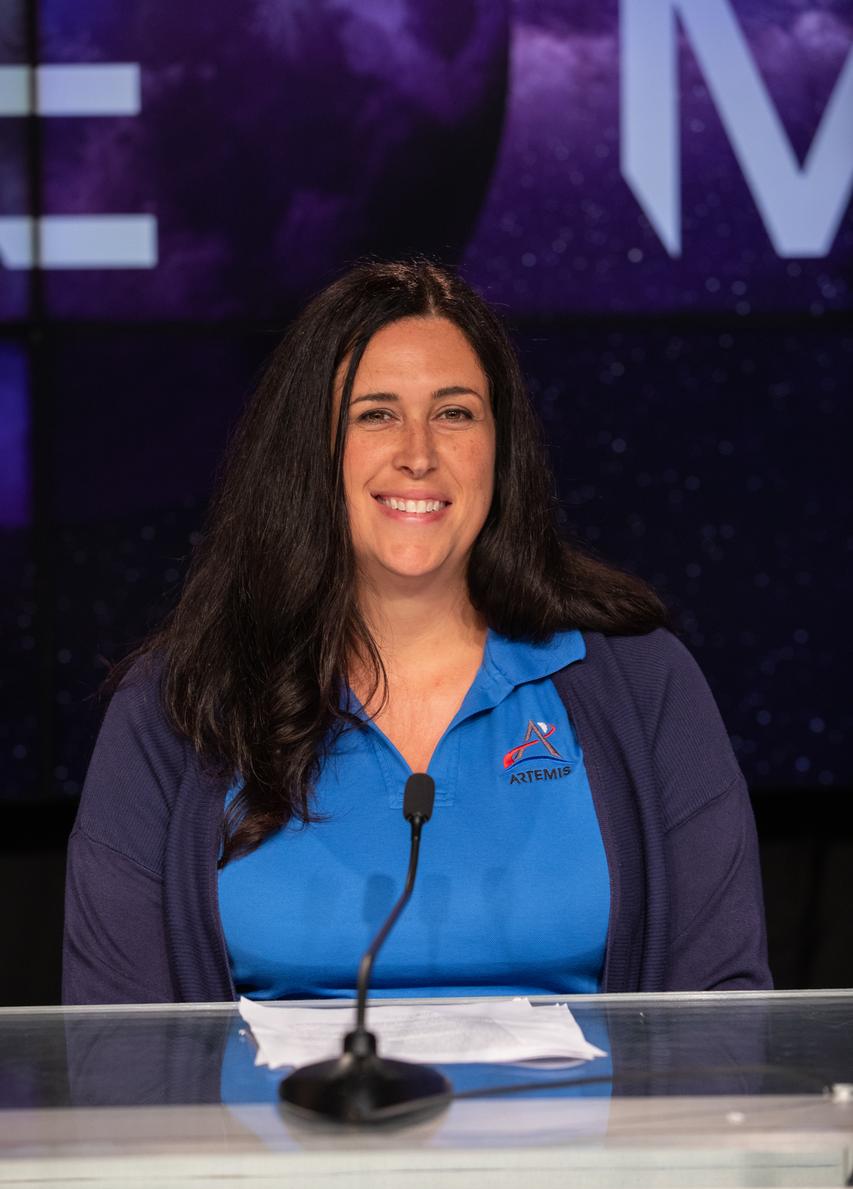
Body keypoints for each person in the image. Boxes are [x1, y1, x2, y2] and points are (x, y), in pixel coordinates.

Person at [63, 261, 771, 1004]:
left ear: (502, 446)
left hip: (577, 1123)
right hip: (276, 1121)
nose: (418, 453)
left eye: (454, 413)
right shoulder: (177, 703)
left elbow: (720, 1003)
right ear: (310, 452)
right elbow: (113, 1031)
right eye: (374, 414)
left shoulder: (641, 682)